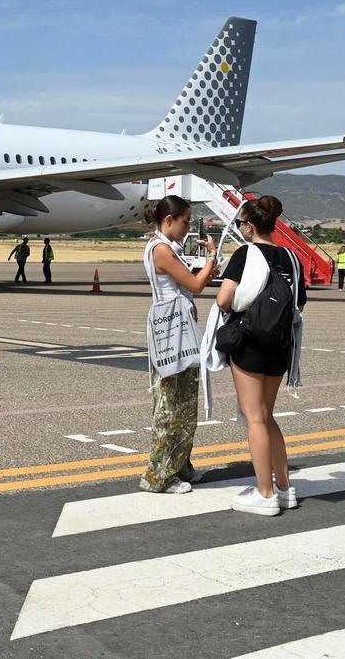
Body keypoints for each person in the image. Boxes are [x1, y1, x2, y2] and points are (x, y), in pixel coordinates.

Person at [215, 195, 307, 517]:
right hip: (281, 347)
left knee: (254, 417)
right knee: (267, 416)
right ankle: (284, 488)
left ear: (250, 226)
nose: (240, 228)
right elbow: (299, 302)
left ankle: (265, 494)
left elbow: (224, 300)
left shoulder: (245, 254)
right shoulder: (291, 258)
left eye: (241, 223)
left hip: (250, 345)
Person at [140, 195, 218, 494]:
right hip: (173, 328)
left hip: (173, 326)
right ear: (169, 220)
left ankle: (180, 465)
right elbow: (196, 285)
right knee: (173, 405)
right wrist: (212, 256)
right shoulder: (162, 250)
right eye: (185, 222)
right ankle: (159, 475)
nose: (187, 228)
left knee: (183, 400)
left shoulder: (162, 246)